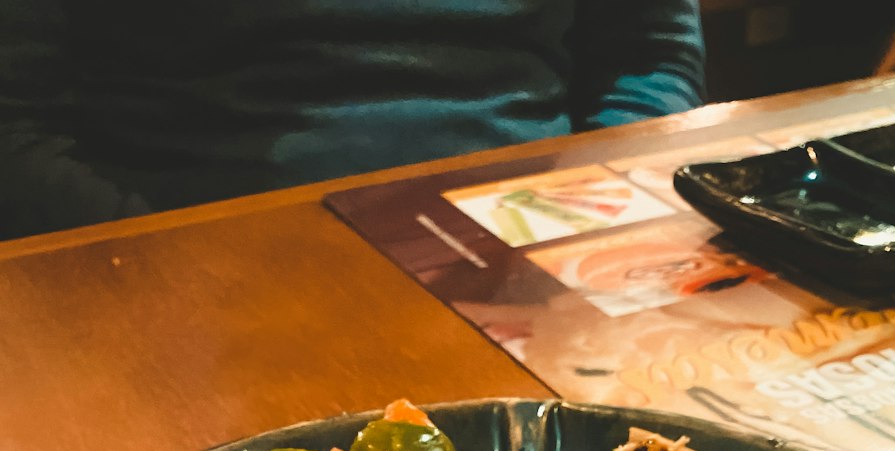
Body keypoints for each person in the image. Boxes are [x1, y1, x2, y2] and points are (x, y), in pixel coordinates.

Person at [0, 1, 705, 239]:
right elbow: (14, 132)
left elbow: (649, 59)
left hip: (533, 241)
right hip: (193, 275)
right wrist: (178, 272)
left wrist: (587, 220)